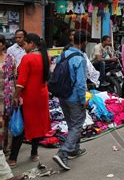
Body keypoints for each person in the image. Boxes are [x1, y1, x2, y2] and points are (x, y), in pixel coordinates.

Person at [8, 34, 51, 168]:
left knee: (21, 125)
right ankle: (34, 153)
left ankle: (13, 158)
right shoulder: (46, 57)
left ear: (31, 44)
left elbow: (21, 83)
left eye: (25, 44)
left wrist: (15, 96)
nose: (23, 47)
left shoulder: (28, 58)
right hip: (42, 95)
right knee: (37, 123)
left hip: (29, 97)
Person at [52, 30, 88, 171]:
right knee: (77, 124)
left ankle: (75, 149)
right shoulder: (80, 58)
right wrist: (82, 100)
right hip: (73, 97)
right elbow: (80, 84)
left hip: (62, 95)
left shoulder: (63, 54)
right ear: (84, 42)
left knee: (71, 123)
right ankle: (64, 152)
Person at [0, 36, 15, 154]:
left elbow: (14, 77)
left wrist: (16, 96)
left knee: (7, 122)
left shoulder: (10, 58)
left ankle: (6, 148)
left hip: (8, 95)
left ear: (3, 44)